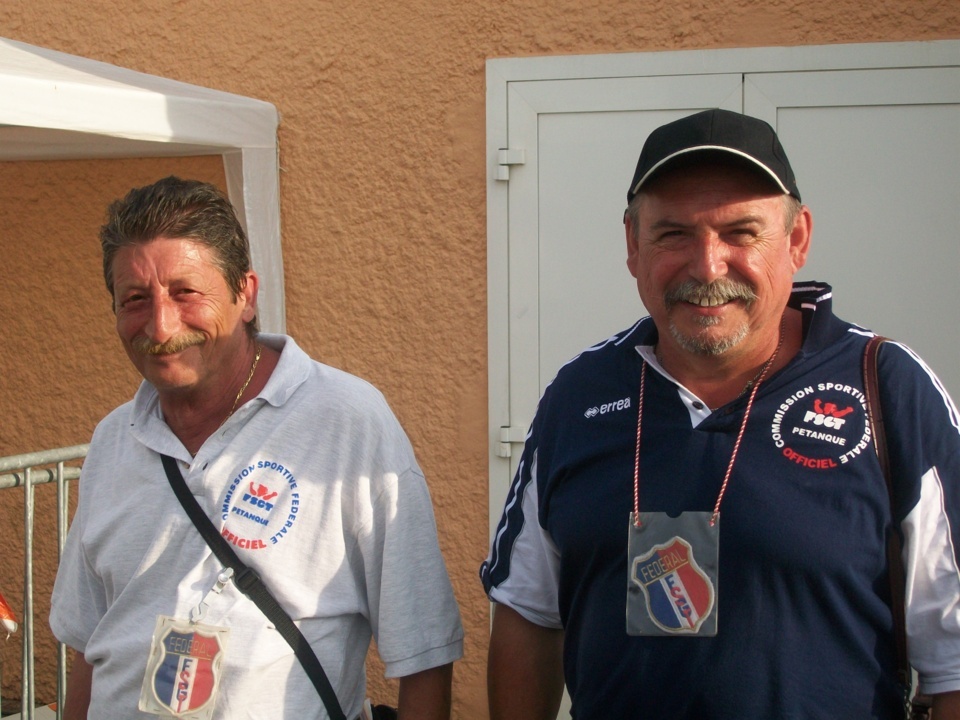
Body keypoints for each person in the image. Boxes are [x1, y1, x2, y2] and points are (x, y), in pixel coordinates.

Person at [481, 109, 960, 719]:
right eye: (673, 234)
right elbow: (527, 612)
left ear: (797, 240)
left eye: (741, 232)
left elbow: (954, 663)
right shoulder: (578, 395)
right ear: (632, 244)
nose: (708, 267)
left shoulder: (886, 388)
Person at [50, 176, 463, 720]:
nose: (160, 324)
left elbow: (424, 653)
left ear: (245, 294)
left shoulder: (346, 421)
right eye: (134, 299)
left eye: (185, 292)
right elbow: (91, 645)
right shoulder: (113, 440)